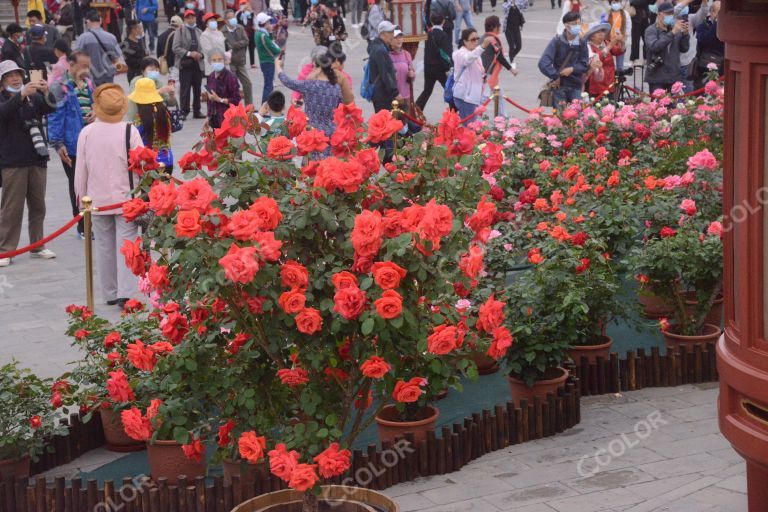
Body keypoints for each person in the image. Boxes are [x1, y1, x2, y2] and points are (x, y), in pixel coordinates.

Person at [74, 84, 143, 307]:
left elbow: (81, 170)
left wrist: (81, 198)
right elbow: (141, 164)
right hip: (126, 198)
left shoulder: (87, 132)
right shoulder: (129, 130)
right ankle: (126, 293)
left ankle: (110, 292)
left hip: (96, 199)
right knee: (128, 246)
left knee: (104, 246)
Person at [0, 60, 57, 267]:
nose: (15, 78)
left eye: (17, 74)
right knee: (11, 208)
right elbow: (4, 112)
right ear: (2, 80)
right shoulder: (7, 97)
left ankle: (38, 244)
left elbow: (51, 107)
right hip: (13, 161)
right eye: (10, 75)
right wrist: (20, 95)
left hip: (37, 157)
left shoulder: (33, 96)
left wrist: (46, 90)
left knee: (38, 205)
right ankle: (6, 250)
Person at [48, 50, 93, 238]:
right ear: (71, 66)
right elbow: (55, 117)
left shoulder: (89, 84)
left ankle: (91, 221)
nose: (85, 70)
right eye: (82, 66)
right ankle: (82, 225)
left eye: (88, 66)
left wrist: (96, 113)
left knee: (91, 184)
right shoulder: (61, 87)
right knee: (76, 185)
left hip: (91, 142)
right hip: (72, 145)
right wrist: (58, 143)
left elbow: (96, 104)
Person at [277, 49, 353, 137]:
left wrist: (278, 66)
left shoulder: (309, 85)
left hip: (311, 134)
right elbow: (347, 105)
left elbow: (287, 81)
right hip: (331, 134)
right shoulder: (336, 88)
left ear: (319, 68)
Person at [538, 11, 590, 109]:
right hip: (559, 86)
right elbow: (543, 63)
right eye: (574, 24)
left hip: (576, 85)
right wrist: (555, 75)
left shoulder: (582, 42)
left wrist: (572, 69)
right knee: (560, 118)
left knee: (576, 117)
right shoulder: (557, 41)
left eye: (579, 23)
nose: (577, 26)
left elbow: (585, 64)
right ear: (566, 26)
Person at [128, 78, 174, 169]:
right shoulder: (164, 112)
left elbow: (134, 136)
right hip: (167, 160)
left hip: (148, 162)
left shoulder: (140, 118)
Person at [644, 2, 689, 92]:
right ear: (659, 15)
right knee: (657, 105)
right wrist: (672, 33)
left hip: (673, 76)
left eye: (672, 14)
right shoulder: (651, 30)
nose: (670, 16)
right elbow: (655, 46)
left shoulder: (675, 29)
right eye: (668, 14)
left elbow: (684, 49)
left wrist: (685, 35)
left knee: (673, 105)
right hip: (657, 77)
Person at [452, 28, 494, 122]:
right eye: (472, 40)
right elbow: (468, 60)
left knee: (470, 127)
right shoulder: (460, 54)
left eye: (477, 39)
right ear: (465, 42)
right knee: (470, 128)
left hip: (473, 96)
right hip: (465, 97)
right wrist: (483, 46)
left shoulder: (475, 53)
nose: (476, 42)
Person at [74, 11, 123, 86]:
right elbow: (116, 60)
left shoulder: (83, 38)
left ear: (87, 21)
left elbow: (76, 59)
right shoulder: (111, 37)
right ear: (100, 20)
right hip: (108, 78)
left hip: (89, 78)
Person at [416, 13, 453, 111]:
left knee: (427, 91)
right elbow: (447, 53)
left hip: (428, 68)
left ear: (431, 21)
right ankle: (453, 112)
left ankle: (417, 109)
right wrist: (448, 68)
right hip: (441, 69)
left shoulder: (428, 34)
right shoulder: (443, 35)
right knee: (449, 90)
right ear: (443, 21)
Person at [173, 9, 205, 119]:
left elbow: (204, 48)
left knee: (197, 88)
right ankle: (184, 111)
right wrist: (190, 53)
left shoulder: (199, 31)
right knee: (185, 89)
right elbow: (175, 48)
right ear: (185, 19)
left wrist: (200, 55)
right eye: (188, 17)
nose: (191, 19)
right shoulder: (180, 31)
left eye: (192, 17)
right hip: (185, 64)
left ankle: (197, 110)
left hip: (197, 64)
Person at [481, 15, 514, 114]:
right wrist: (511, 69)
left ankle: (501, 119)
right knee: (490, 98)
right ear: (493, 27)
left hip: (484, 72)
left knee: (495, 97)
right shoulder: (492, 39)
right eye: (499, 25)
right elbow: (499, 55)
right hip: (489, 73)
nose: (500, 27)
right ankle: (502, 119)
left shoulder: (483, 37)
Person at [367, 20, 400, 113]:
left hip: (381, 94)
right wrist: (395, 92)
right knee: (385, 124)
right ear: (382, 34)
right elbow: (385, 73)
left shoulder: (379, 47)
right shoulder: (380, 50)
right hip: (382, 95)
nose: (393, 35)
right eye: (390, 32)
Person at [223, 8, 253, 106]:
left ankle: (249, 106)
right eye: (230, 18)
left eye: (233, 17)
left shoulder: (240, 27)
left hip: (240, 61)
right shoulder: (223, 31)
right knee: (233, 86)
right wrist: (238, 44)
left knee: (248, 83)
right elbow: (227, 45)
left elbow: (246, 41)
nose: (233, 19)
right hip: (230, 62)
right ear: (226, 21)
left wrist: (235, 45)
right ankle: (234, 107)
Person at [205, 49, 241, 129]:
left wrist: (220, 99)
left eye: (219, 59)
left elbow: (236, 100)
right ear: (210, 62)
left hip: (228, 118)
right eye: (214, 60)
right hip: (215, 118)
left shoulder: (230, 77)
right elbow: (210, 101)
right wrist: (208, 117)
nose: (217, 62)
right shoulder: (211, 77)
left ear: (224, 60)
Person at [584, 22, 621, 97]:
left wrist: (621, 41)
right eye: (597, 32)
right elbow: (597, 59)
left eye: (603, 31)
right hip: (595, 85)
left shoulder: (606, 43)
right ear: (591, 36)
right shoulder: (588, 47)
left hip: (609, 82)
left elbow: (618, 51)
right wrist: (611, 45)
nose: (601, 34)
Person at [255, 12, 282, 103]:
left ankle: (267, 104)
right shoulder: (262, 35)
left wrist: (270, 32)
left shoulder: (261, 33)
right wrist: (279, 51)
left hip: (266, 61)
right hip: (267, 61)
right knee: (268, 85)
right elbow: (272, 47)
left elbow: (270, 41)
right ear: (265, 23)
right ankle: (265, 104)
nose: (270, 24)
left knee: (269, 83)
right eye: (269, 22)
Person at [389, 28, 416, 107]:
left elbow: (412, 76)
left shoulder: (406, 54)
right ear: (390, 40)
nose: (399, 40)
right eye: (396, 38)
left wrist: (412, 74)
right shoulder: (387, 55)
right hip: (391, 97)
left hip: (405, 96)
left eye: (400, 37)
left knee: (405, 119)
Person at [606, 0, 631, 71]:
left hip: (620, 42)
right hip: (609, 42)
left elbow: (628, 27)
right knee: (608, 64)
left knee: (620, 66)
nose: (616, 4)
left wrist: (623, 39)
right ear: (610, 3)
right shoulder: (608, 13)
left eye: (618, 2)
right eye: (614, 2)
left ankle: (619, 79)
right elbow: (604, 27)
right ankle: (610, 80)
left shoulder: (625, 14)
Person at [502, 0, 524, 68]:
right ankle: (512, 62)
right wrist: (512, 2)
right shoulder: (505, 4)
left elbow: (525, 7)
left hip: (516, 28)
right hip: (508, 29)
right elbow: (505, 9)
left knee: (519, 46)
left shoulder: (518, 3)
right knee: (511, 46)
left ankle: (509, 58)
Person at [236, 0, 257, 69]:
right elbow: (236, 22)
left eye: (245, 4)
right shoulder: (238, 13)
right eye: (242, 4)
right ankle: (242, 63)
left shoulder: (251, 13)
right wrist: (242, 12)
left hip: (250, 33)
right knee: (243, 49)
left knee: (251, 48)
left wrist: (251, 12)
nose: (244, 5)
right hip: (242, 34)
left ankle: (252, 63)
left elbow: (255, 22)